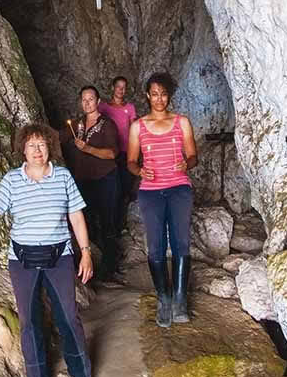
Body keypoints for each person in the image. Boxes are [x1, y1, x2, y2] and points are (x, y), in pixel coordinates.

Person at [0, 123, 94, 377]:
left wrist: (85, 253)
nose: (37, 150)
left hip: (60, 257)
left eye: (42, 145)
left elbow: (75, 215)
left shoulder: (62, 176)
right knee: (30, 323)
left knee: (68, 317)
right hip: (22, 261)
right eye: (32, 145)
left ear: (49, 147)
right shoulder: (12, 180)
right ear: (22, 150)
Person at [127, 72, 198, 327]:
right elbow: (131, 162)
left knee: (181, 244)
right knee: (156, 246)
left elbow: (193, 156)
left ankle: (180, 300)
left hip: (179, 188)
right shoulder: (138, 126)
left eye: (163, 94)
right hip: (150, 192)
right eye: (154, 94)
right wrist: (139, 171)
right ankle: (164, 298)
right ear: (148, 95)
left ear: (169, 96)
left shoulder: (182, 122)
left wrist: (185, 163)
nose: (159, 99)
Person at [60, 85, 120, 280]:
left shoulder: (107, 124)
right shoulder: (76, 125)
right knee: (87, 223)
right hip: (83, 182)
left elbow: (112, 153)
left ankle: (110, 268)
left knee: (107, 223)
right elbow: (57, 137)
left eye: (91, 99)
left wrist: (87, 149)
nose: (87, 103)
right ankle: (90, 267)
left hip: (105, 180)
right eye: (83, 100)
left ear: (98, 101)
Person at [98, 75, 138, 228]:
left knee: (125, 189)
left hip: (126, 153)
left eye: (124, 87)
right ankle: (108, 225)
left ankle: (120, 225)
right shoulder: (103, 107)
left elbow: (135, 128)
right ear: (112, 88)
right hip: (109, 154)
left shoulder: (130, 108)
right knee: (111, 190)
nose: (121, 90)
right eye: (118, 87)